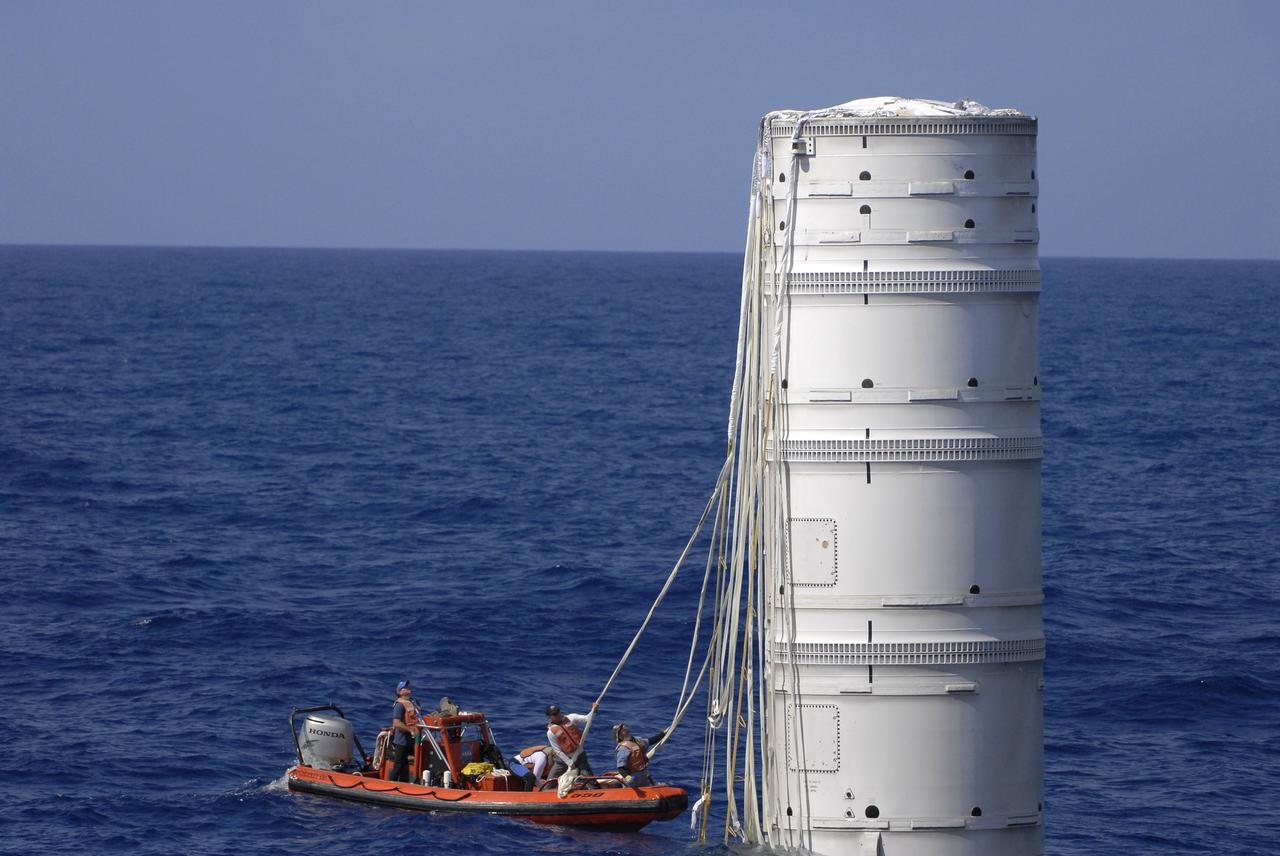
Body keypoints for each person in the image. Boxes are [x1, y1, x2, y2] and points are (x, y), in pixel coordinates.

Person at [544, 701, 598, 780]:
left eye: (558, 711)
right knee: (550, 782)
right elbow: (557, 751)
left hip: (579, 755)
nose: (558, 714)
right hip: (562, 760)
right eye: (555, 714)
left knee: (589, 779)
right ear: (549, 717)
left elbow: (587, 719)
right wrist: (569, 763)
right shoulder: (551, 732)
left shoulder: (571, 717)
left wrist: (594, 710)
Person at [612, 723, 666, 787]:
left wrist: (663, 734)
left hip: (643, 773)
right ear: (620, 735)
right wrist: (628, 778)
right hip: (633, 776)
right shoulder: (623, 748)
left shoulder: (637, 740)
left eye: (626, 729)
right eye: (623, 730)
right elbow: (621, 768)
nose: (626, 730)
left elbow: (650, 741)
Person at [388, 679, 420, 783]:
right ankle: (389, 784)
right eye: (405, 687)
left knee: (413, 763)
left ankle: (407, 783)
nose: (409, 688)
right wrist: (410, 730)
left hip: (413, 741)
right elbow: (396, 723)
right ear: (400, 691)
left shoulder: (413, 703)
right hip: (401, 741)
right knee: (398, 765)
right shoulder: (399, 705)